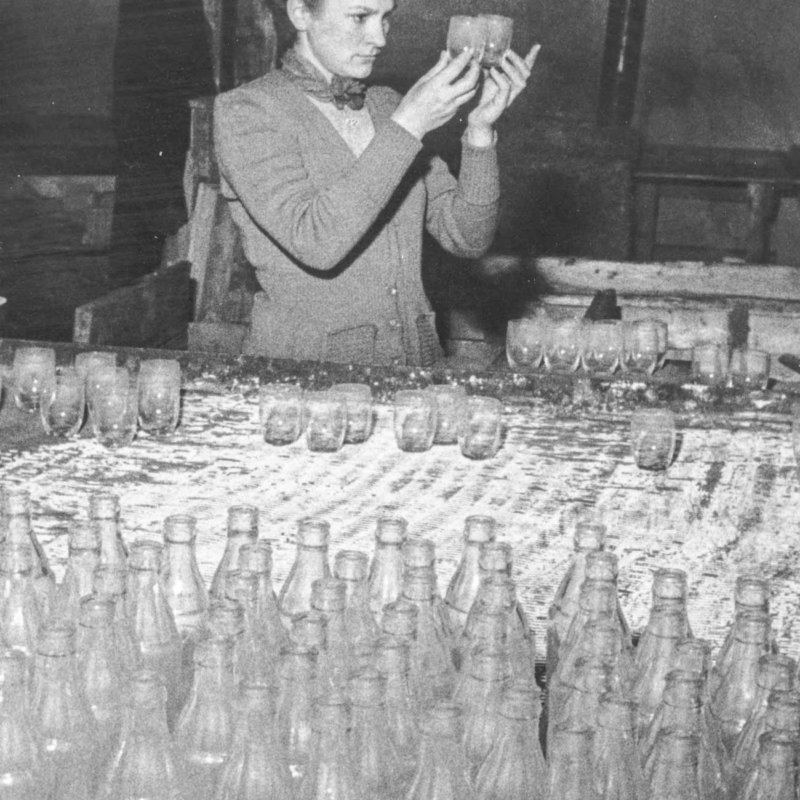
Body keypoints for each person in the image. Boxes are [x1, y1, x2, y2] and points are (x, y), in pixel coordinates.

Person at [214, 0, 539, 365]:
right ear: (300, 13)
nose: (379, 37)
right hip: (308, 379)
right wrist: (409, 125)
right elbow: (316, 242)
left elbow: (467, 237)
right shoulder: (247, 111)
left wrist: (480, 131)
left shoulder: (387, 106)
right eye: (360, 16)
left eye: (385, 18)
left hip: (415, 368)